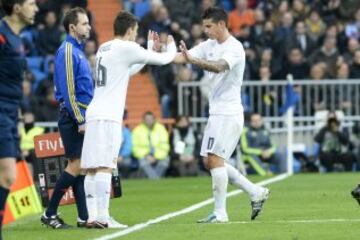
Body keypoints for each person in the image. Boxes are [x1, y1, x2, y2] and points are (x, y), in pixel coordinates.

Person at [81, 11, 177, 228]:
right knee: (105, 165)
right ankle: (104, 218)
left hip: (94, 112)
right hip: (108, 115)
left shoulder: (104, 47)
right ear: (130, 30)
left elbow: (128, 70)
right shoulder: (127, 47)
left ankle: (92, 217)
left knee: (92, 167)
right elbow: (163, 60)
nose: (136, 35)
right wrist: (169, 46)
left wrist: (150, 50)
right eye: (135, 31)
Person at [172, 7, 269, 223]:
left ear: (222, 24)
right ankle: (255, 192)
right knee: (209, 161)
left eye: (209, 26)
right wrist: (159, 53)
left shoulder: (235, 48)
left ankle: (220, 213)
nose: (205, 30)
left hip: (228, 112)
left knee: (215, 159)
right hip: (216, 112)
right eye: (204, 26)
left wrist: (193, 61)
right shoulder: (209, 45)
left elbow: (219, 67)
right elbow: (183, 57)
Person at [40, 7, 92, 229]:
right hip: (73, 116)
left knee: (79, 168)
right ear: (72, 27)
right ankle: (49, 213)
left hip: (78, 114)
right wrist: (80, 119)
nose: (89, 26)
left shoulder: (77, 50)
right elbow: (69, 91)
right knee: (77, 165)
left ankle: (83, 217)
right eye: (84, 23)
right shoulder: (68, 51)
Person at [0, 0, 38, 238]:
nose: (36, 9)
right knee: (8, 175)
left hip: (11, 113)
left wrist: (21, 114)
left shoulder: (20, 40)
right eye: (31, 3)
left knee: (6, 175)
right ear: (17, 8)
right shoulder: (2, 36)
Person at [132, 111, 170, 179]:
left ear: (154, 119)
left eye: (151, 119)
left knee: (165, 161)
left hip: (159, 155)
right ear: (143, 120)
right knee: (143, 163)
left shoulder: (161, 129)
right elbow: (134, 147)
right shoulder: (137, 130)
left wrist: (156, 157)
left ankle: (153, 179)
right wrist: (146, 155)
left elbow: (165, 145)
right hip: (144, 155)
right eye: (147, 119)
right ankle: (155, 180)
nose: (149, 121)